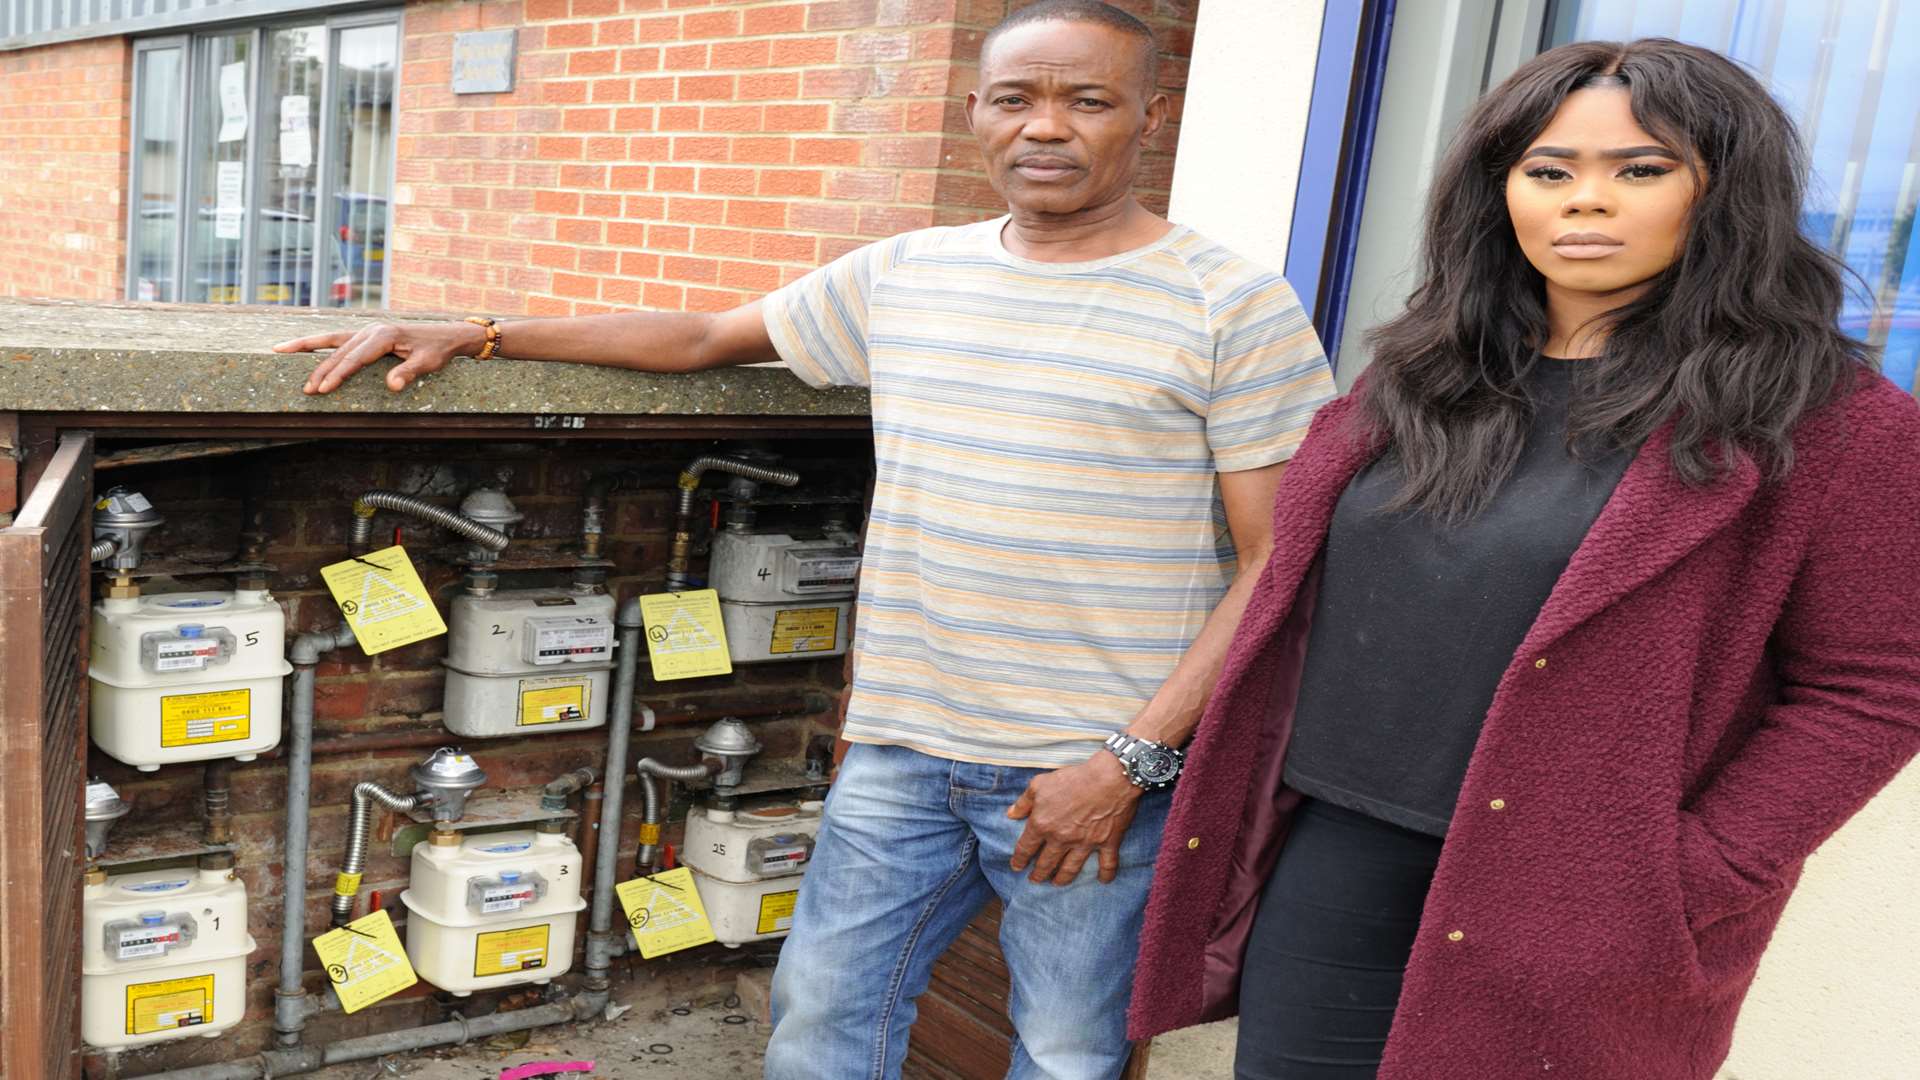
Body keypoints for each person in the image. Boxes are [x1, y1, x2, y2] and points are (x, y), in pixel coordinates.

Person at [277, 2, 1335, 1076]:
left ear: (1149, 117)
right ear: (975, 114)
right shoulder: (908, 274)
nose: (1046, 128)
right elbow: (700, 336)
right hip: (901, 748)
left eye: (1088, 100)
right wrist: (483, 330)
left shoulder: (1233, 305)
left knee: (1066, 1054)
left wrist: (1129, 761)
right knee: (823, 1020)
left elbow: (1277, 563)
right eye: (1016, 99)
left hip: (1089, 766)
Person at [1126, 36, 1920, 1080]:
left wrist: (1697, 870)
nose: (1585, 202)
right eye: (1550, 171)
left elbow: (1877, 685)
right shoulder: (1417, 381)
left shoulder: (1832, 424)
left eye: (1641, 169)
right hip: (1341, 847)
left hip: (1581, 890)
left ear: (1723, 193)